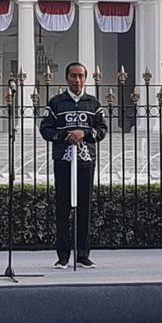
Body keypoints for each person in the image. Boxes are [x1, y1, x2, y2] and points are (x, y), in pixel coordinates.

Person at [39, 62, 109, 268]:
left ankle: (83, 254)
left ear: (85, 79)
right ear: (67, 78)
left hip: (86, 161)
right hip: (63, 160)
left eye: (80, 76)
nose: (77, 80)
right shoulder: (55, 103)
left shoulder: (93, 103)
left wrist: (85, 133)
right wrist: (65, 136)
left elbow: (102, 130)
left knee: (84, 207)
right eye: (73, 76)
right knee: (62, 208)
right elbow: (45, 130)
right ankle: (62, 256)